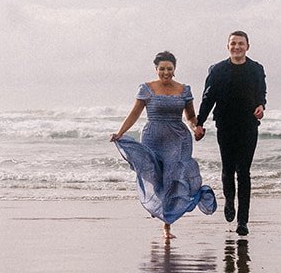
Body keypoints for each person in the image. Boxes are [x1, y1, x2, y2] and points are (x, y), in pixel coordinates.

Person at [111, 52, 217, 237]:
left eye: (169, 69)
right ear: (156, 69)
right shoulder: (146, 88)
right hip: (153, 137)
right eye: (162, 69)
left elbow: (190, 116)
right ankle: (157, 206)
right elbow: (134, 113)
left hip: (178, 139)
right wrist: (120, 133)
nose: (166, 72)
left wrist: (195, 128)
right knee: (155, 177)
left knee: (172, 179)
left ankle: (167, 225)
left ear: (175, 69)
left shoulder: (184, 90)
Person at [196, 30, 266, 236]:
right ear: (228, 46)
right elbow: (208, 99)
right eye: (233, 43)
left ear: (247, 46)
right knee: (228, 169)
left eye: (241, 44)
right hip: (225, 125)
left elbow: (261, 92)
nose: (237, 47)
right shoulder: (217, 70)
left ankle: (243, 221)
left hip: (248, 126)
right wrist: (199, 123)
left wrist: (261, 105)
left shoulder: (256, 69)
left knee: (244, 172)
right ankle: (229, 201)